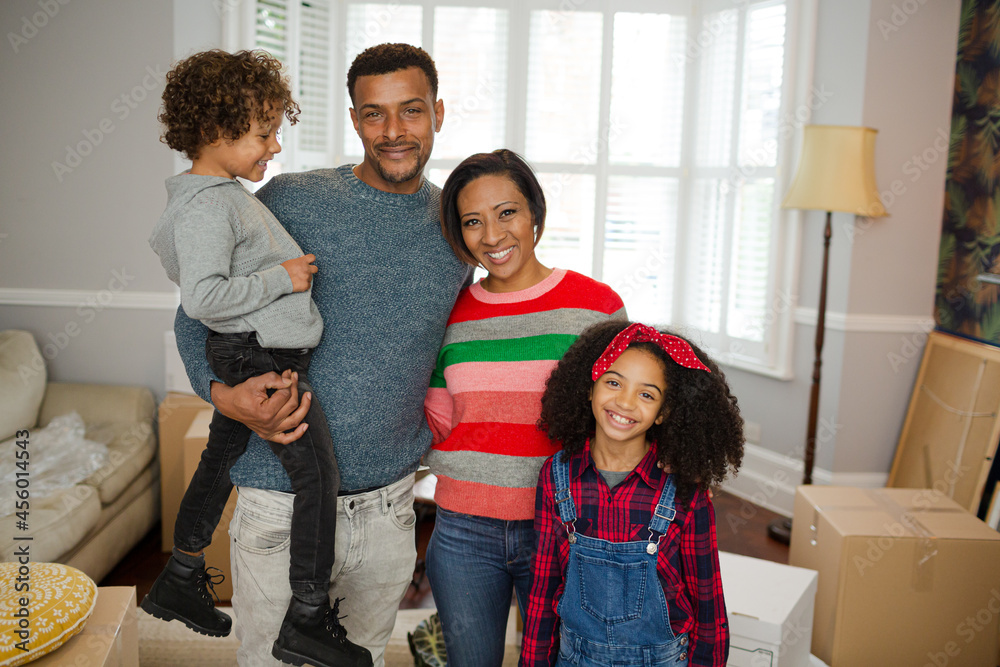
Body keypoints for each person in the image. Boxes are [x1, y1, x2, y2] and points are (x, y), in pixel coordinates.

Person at [172, 43, 471, 667]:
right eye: (373, 113)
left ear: (438, 113)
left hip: (389, 507)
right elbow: (194, 311)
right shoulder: (290, 199)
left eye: (411, 111)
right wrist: (221, 394)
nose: (393, 131)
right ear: (355, 119)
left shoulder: (457, 226)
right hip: (277, 499)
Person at [146, 49, 370, 667]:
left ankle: (180, 576)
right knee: (317, 475)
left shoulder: (211, 197)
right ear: (217, 132)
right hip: (255, 356)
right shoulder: (208, 205)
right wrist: (283, 277)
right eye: (263, 133)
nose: (273, 148)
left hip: (254, 351)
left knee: (221, 457)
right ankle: (305, 618)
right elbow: (204, 299)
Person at [422, 149, 626, 666]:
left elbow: (623, 422)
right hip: (463, 531)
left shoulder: (596, 306)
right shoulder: (447, 313)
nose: (492, 235)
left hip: (564, 526)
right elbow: (438, 418)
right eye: (473, 221)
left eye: (507, 212)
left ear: (535, 212)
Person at [518, 320, 744, 666]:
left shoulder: (684, 489)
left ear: (663, 413)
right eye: (613, 382)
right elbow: (543, 589)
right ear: (589, 388)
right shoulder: (556, 476)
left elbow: (708, 606)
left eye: (646, 394)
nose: (624, 402)